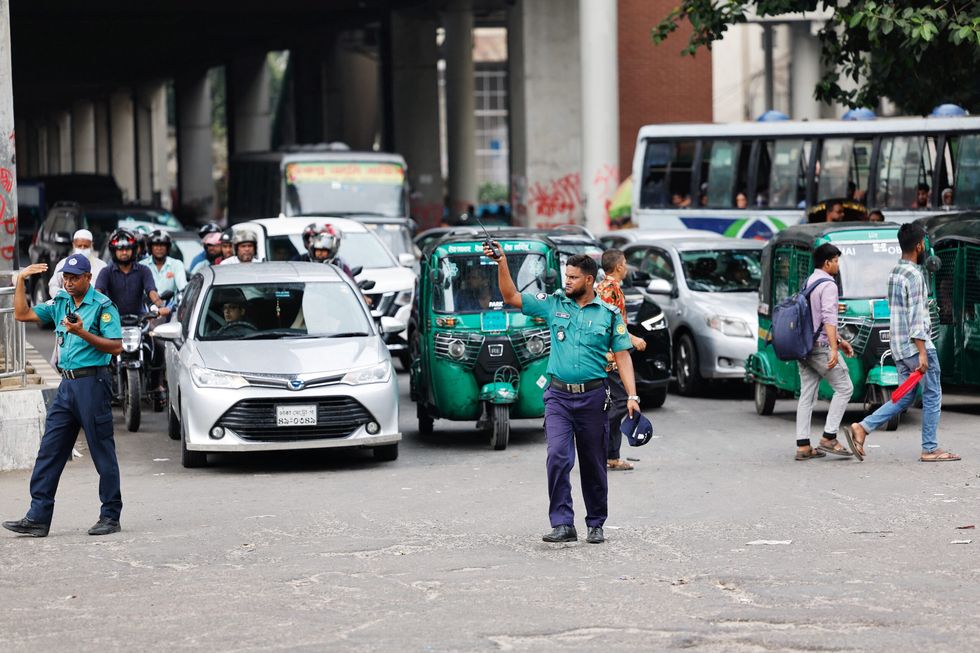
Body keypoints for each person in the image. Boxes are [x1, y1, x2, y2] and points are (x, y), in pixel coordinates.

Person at [487, 244, 637, 545]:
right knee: (557, 456)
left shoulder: (608, 315)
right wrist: (502, 262)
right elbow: (511, 297)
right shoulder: (553, 304)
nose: (566, 281)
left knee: (594, 463)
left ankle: (596, 523)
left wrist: (632, 396)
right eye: (566, 276)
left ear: (589, 280)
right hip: (558, 397)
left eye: (572, 278)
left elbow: (622, 356)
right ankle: (562, 523)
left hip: (594, 398)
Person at [3, 256, 124, 538]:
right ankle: (38, 517)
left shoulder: (103, 307)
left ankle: (110, 515)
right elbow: (22, 314)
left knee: (101, 451)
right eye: (66, 277)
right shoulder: (61, 303)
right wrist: (21, 280)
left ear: (87, 278)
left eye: (74, 277)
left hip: (92, 383)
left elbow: (116, 347)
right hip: (66, 387)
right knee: (49, 451)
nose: (68, 282)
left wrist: (82, 332)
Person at [843, 223, 960, 462]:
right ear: (918, 246)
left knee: (904, 397)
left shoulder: (895, 272)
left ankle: (862, 428)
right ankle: (930, 448)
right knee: (932, 394)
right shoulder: (915, 276)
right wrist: (923, 353)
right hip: (916, 347)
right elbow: (916, 319)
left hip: (898, 348)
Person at [793, 244, 856, 461]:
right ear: (827, 263)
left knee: (807, 394)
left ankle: (803, 446)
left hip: (802, 346)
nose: (838, 265)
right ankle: (829, 436)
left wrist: (840, 340)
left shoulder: (809, 281)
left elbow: (815, 318)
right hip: (819, 348)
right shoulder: (828, 284)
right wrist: (834, 348)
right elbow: (829, 318)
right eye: (836, 261)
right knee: (845, 387)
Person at [596, 249, 647, 472]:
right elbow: (609, 324)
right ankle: (600, 449)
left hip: (609, 356)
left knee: (615, 404)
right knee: (618, 404)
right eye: (625, 263)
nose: (626, 267)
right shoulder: (610, 289)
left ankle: (612, 457)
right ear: (618, 267)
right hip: (610, 358)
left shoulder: (604, 287)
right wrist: (633, 339)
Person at [95, 230, 171, 319]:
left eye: (127, 249)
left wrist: (161, 307)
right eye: (120, 249)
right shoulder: (106, 272)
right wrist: (93, 308)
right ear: (114, 251)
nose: (124, 252)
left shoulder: (144, 270)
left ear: (134, 250)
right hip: (112, 320)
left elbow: (151, 291)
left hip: (140, 320)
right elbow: (98, 292)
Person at [48, 229, 107, 299]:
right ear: (73, 245)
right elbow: (53, 286)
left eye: (85, 246)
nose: (82, 249)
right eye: (79, 246)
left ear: (91, 245)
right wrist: (64, 298)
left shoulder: (101, 266)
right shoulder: (63, 264)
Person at [140, 230, 187, 298]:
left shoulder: (177, 264)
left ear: (167, 248)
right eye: (156, 245)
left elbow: (182, 287)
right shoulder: (141, 265)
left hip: (170, 307)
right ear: (150, 247)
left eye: (162, 245)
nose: (159, 248)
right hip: (146, 306)